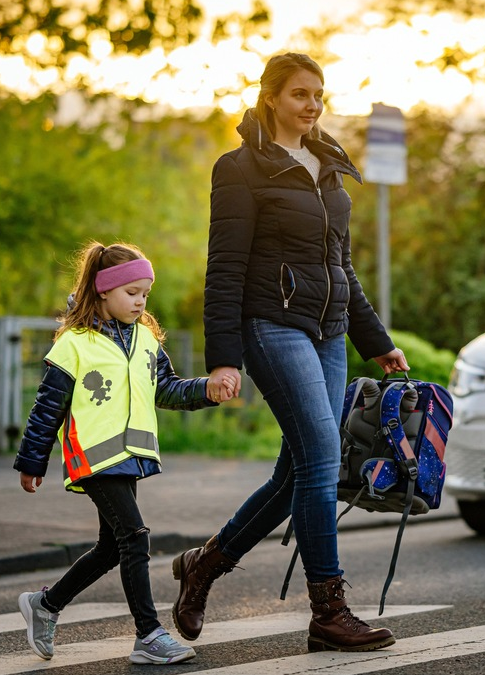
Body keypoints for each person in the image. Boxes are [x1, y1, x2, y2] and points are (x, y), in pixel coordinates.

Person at [171, 52, 409, 653]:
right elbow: (225, 268)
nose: (312, 105)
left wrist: (375, 341)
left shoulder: (328, 167)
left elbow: (341, 268)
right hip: (271, 326)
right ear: (271, 97)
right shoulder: (240, 169)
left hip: (328, 332)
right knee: (323, 457)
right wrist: (223, 358)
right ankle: (329, 611)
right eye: (300, 93)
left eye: (319, 94)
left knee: (295, 474)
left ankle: (204, 565)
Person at [13, 241, 215, 665]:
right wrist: (32, 460)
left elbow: (166, 389)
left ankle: (45, 605)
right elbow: (48, 407)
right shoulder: (74, 343)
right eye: (131, 292)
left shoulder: (146, 339)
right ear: (104, 290)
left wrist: (207, 390)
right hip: (92, 457)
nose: (141, 301)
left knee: (111, 547)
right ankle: (148, 635)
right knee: (135, 536)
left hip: (129, 455)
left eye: (145, 293)